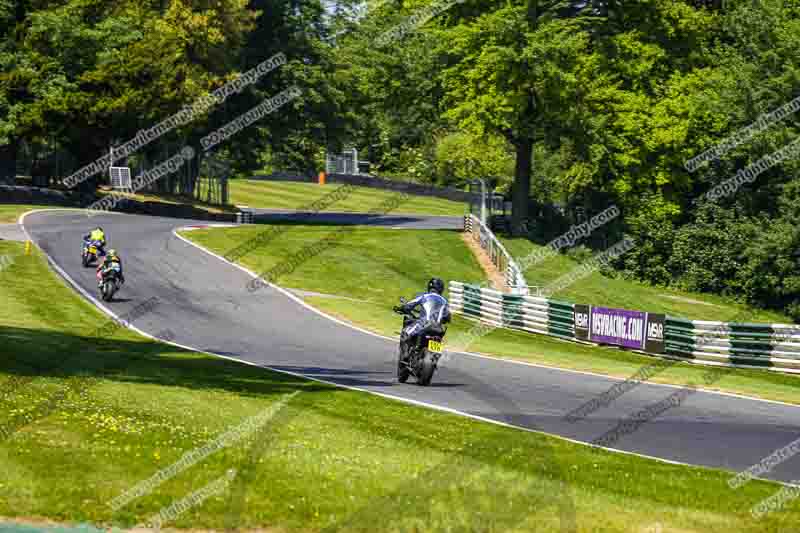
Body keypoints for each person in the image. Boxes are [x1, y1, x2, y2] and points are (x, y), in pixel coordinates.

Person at [394, 277, 451, 357]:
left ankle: (405, 356)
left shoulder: (424, 296)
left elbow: (410, 305)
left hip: (423, 324)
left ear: (429, 287)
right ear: (441, 289)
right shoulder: (445, 302)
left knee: (405, 333)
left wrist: (402, 308)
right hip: (438, 329)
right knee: (438, 340)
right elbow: (448, 317)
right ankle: (435, 357)